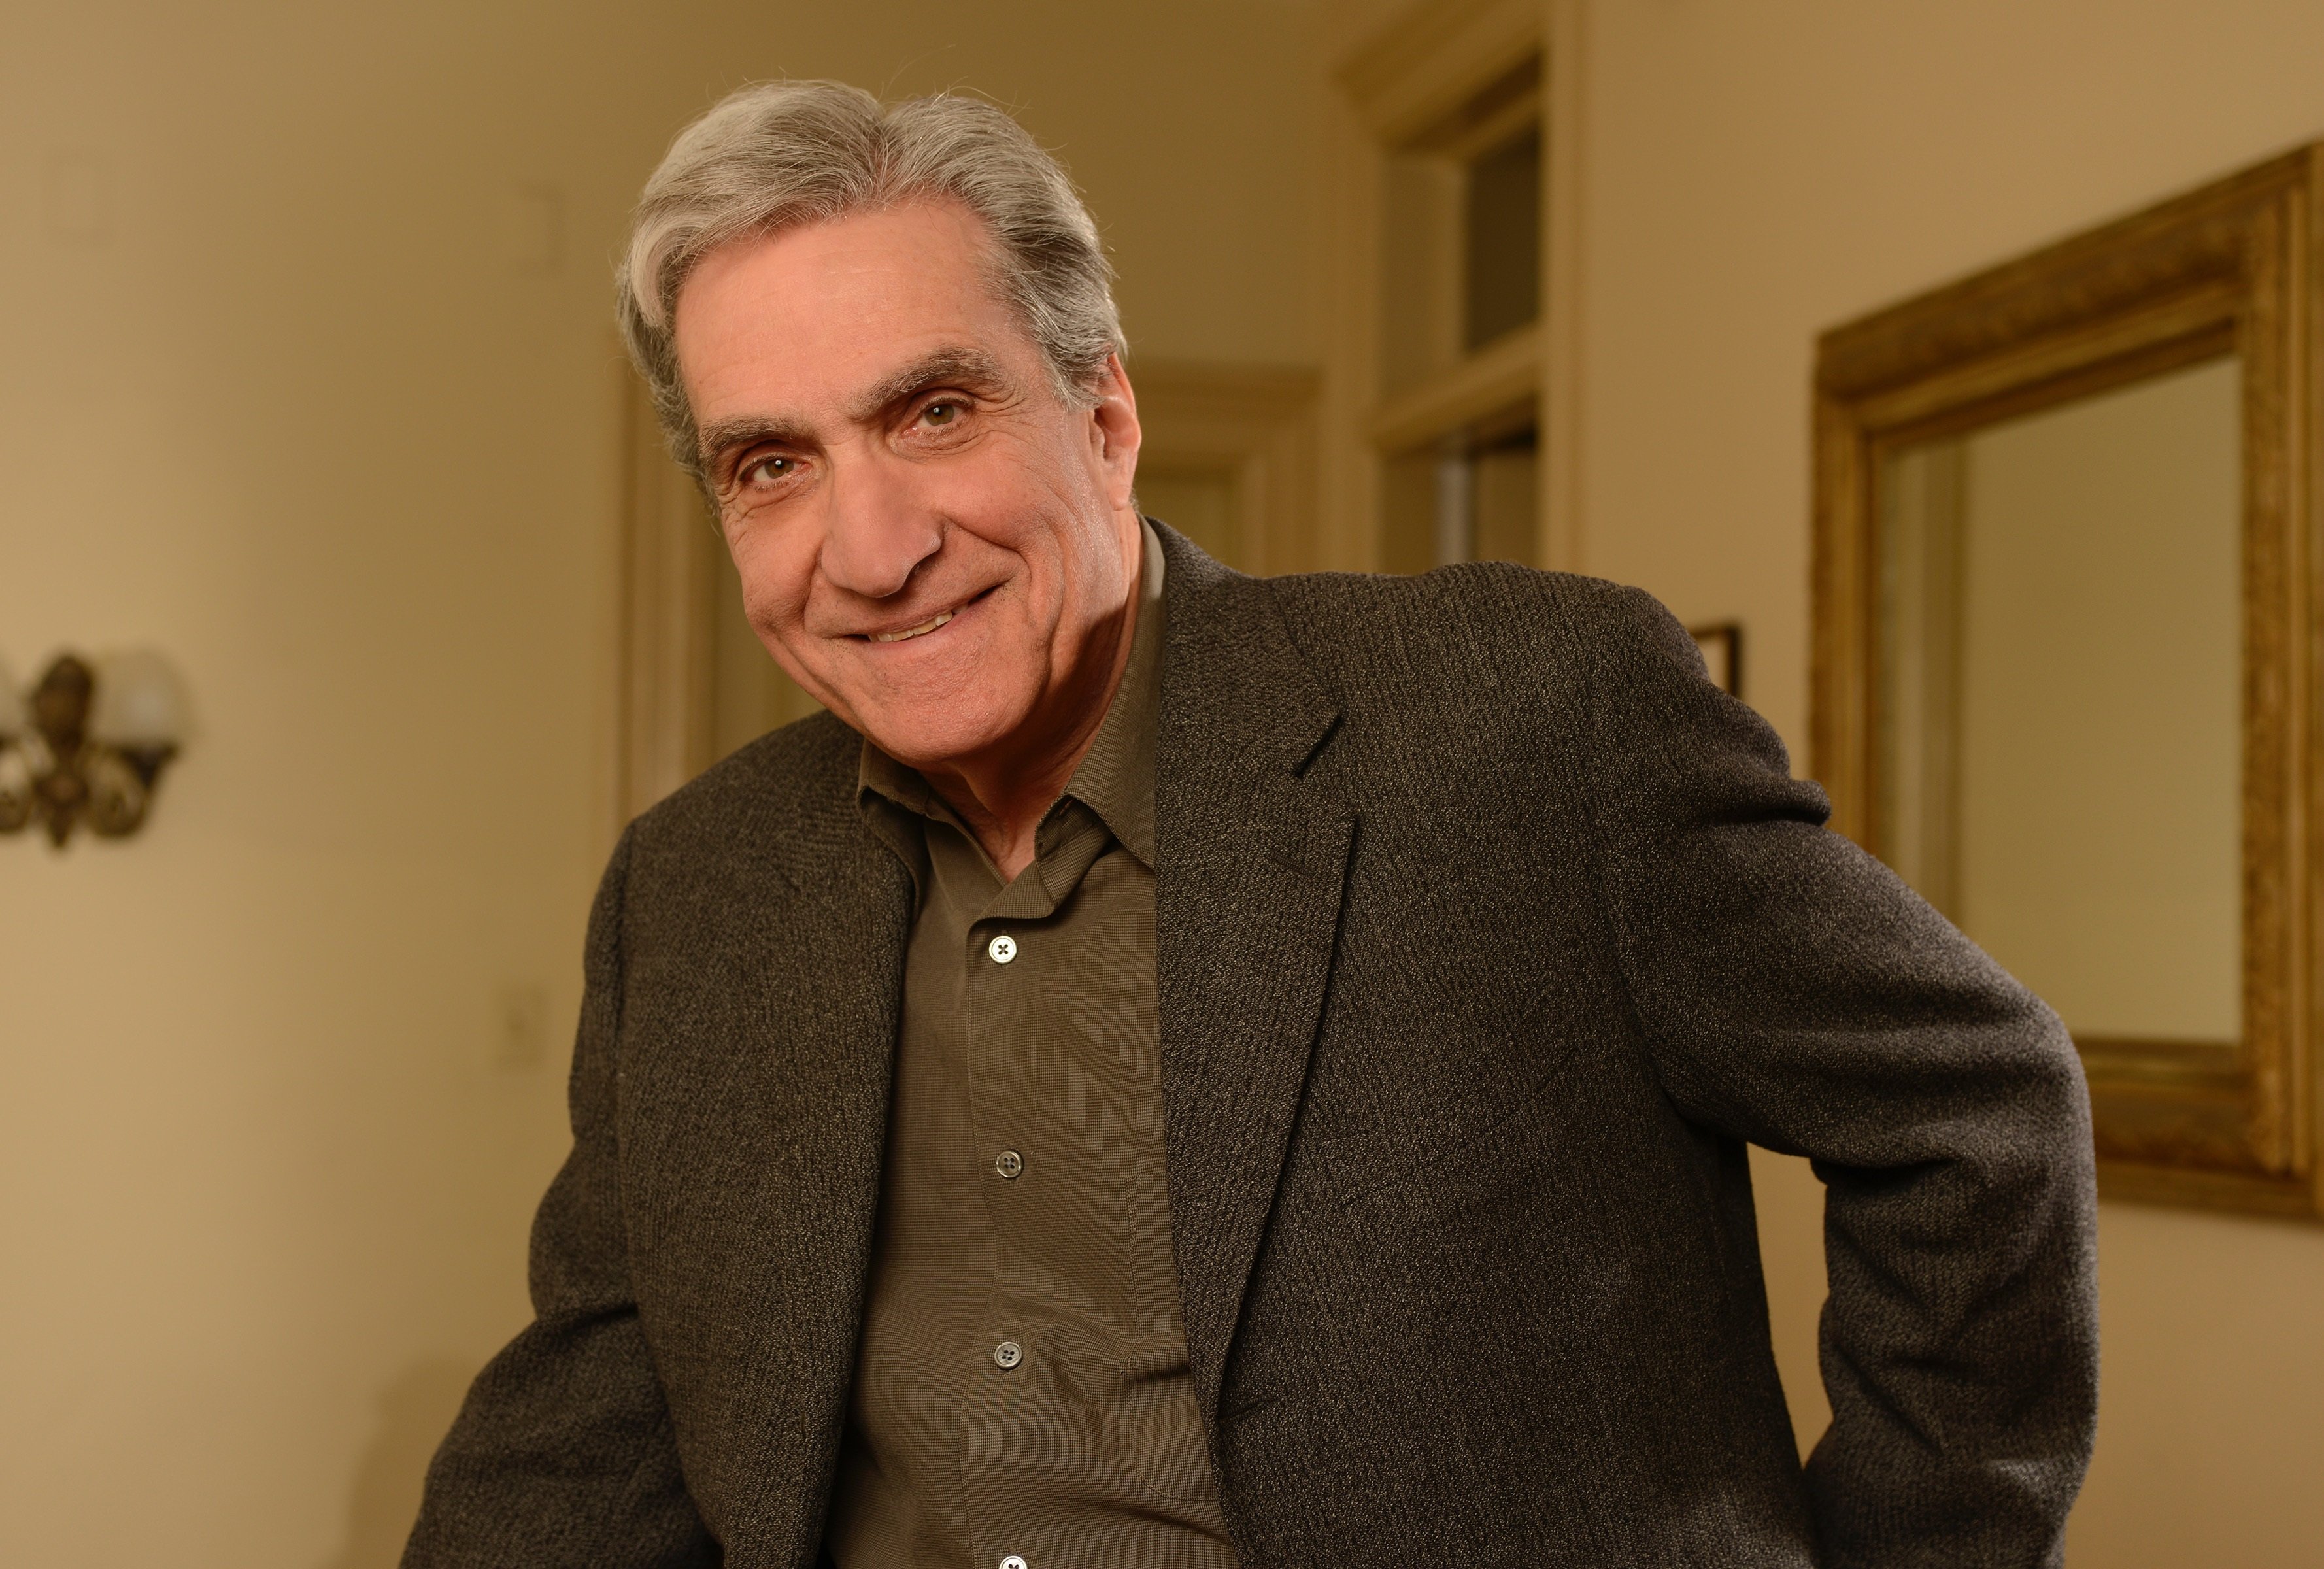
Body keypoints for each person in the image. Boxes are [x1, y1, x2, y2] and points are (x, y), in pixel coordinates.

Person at [404, 81, 2097, 1569]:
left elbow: (1971, 1115)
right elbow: (588, 1431)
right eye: (772, 464)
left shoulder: (1525, 720)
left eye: (934, 413)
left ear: (1106, 418)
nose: (870, 549)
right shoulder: (693, 892)